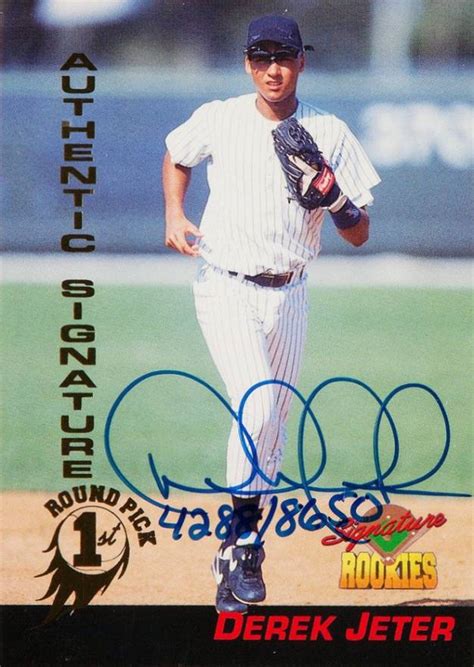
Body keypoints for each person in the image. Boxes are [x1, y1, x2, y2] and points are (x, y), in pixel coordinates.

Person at [162, 15, 380, 613]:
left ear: (302, 61)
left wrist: (336, 200)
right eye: (261, 58)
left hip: (291, 293)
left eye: (283, 57)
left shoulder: (329, 131)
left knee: (273, 427)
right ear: (247, 64)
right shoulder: (221, 117)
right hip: (225, 284)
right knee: (256, 406)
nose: (273, 69)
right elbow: (177, 153)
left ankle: (242, 548)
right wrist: (174, 213)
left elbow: (360, 232)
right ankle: (241, 543)